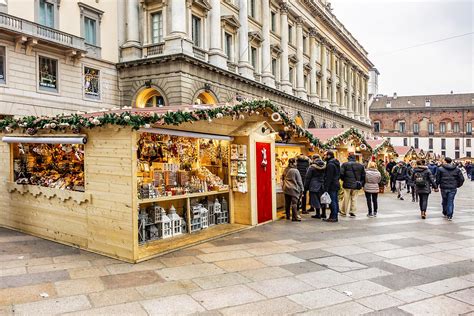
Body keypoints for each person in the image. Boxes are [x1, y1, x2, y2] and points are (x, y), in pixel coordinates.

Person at [340, 153, 365, 217]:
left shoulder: (344, 164)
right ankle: (352, 211)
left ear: (348, 158)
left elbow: (341, 174)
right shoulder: (360, 165)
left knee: (346, 198)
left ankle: (343, 212)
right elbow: (363, 176)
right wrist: (361, 183)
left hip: (347, 184)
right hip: (356, 185)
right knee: (354, 198)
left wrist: (344, 180)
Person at [304, 154, 327, 219]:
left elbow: (308, 178)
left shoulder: (311, 167)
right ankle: (324, 213)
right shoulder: (325, 166)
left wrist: (306, 187)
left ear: (313, 159)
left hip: (314, 185)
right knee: (323, 199)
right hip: (322, 184)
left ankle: (318, 214)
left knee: (315, 199)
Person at [322, 151, 340, 223]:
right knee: (335, 200)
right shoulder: (335, 163)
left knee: (332, 201)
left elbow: (329, 177)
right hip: (335, 183)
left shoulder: (330, 164)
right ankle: (334, 215)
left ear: (329, 156)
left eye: (325, 155)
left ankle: (333, 217)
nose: (324, 156)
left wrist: (326, 187)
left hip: (332, 185)